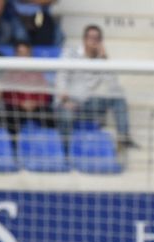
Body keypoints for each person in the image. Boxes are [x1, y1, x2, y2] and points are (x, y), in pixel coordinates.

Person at [56, 25, 136, 153]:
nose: (93, 41)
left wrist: (104, 60)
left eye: (97, 38)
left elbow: (114, 86)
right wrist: (65, 99)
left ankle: (123, 137)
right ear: (84, 39)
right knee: (66, 115)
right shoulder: (71, 53)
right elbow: (61, 77)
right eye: (91, 37)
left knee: (118, 98)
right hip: (70, 100)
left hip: (90, 103)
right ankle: (65, 153)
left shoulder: (101, 60)